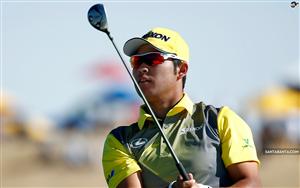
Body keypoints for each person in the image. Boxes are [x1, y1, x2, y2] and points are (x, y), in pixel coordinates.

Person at [102, 27, 261, 188]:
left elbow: (251, 183)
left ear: (181, 70)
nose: (142, 68)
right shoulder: (120, 140)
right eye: (136, 60)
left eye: (153, 59)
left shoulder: (220, 120)